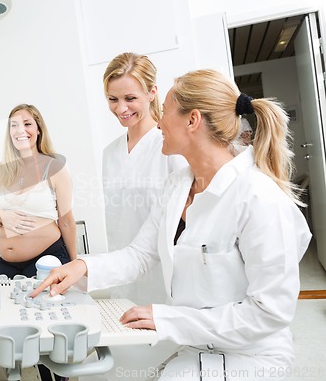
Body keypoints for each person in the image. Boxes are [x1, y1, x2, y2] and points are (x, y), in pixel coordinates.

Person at [32, 70, 311, 380]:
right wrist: (81, 267)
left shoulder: (259, 198)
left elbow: (269, 312)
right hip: (194, 342)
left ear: (192, 120)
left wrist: (169, 319)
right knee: (99, 373)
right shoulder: (177, 185)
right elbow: (139, 254)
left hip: (249, 354)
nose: (159, 122)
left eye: (164, 111)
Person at [102, 52, 186, 305]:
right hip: (122, 274)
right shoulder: (110, 153)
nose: (121, 108)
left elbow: (187, 220)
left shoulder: (169, 146)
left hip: (166, 276)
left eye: (130, 98)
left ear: (151, 93)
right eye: (112, 99)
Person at [0, 103, 76, 279]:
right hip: (7, 263)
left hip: (48, 257)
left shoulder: (55, 168)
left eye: (27, 124)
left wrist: (74, 267)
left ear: (38, 129)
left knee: (35, 302)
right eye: (15, 125)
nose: (21, 130)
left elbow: (66, 222)